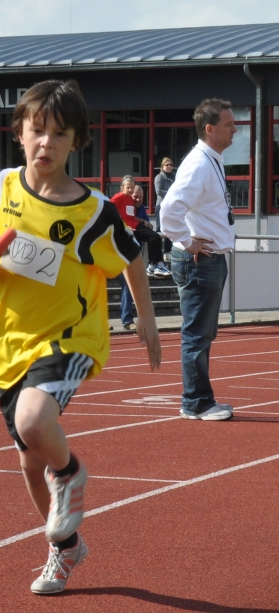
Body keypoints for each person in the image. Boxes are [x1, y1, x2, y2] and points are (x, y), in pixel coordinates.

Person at [0, 79, 161, 595]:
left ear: (75, 141)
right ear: (19, 132)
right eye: (37, 130)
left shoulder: (91, 212)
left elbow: (131, 256)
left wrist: (148, 320)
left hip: (71, 336)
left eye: (58, 134)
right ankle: (65, 549)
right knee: (27, 456)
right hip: (7, 343)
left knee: (35, 419)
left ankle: (72, 473)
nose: (46, 143)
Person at [160, 98, 236, 421]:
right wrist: (189, 242)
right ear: (210, 129)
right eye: (229, 125)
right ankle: (196, 402)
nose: (235, 130)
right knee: (196, 334)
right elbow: (168, 212)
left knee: (203, 333)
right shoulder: (199, 164)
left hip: (208, 260)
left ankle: (200, 398)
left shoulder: (211, 159)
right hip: (198, 262)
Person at [110, 176, 171, 279]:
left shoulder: (130, 199)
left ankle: (156, 266)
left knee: (155, 236)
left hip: (135, 224)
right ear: (122, 187)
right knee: (153, 237)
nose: (130, 190)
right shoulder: (119, 197)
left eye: (132, 187)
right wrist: (121, 226)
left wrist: (143, 221)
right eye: (128, 187)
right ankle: (153, 267)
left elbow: (130, 216)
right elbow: (108, 208)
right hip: (129, 227)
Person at [154, 157, 175, 259]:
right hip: (161, 206)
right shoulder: (159, 177)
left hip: (172, 207)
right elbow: (159, 192)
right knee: (159, 230)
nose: (169, 167)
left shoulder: (174, 177)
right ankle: (157, 255)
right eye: (167, 165)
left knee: (170, 229)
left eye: (171, 165)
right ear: (162, 167)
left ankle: (167, 252)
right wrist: (172, 193)